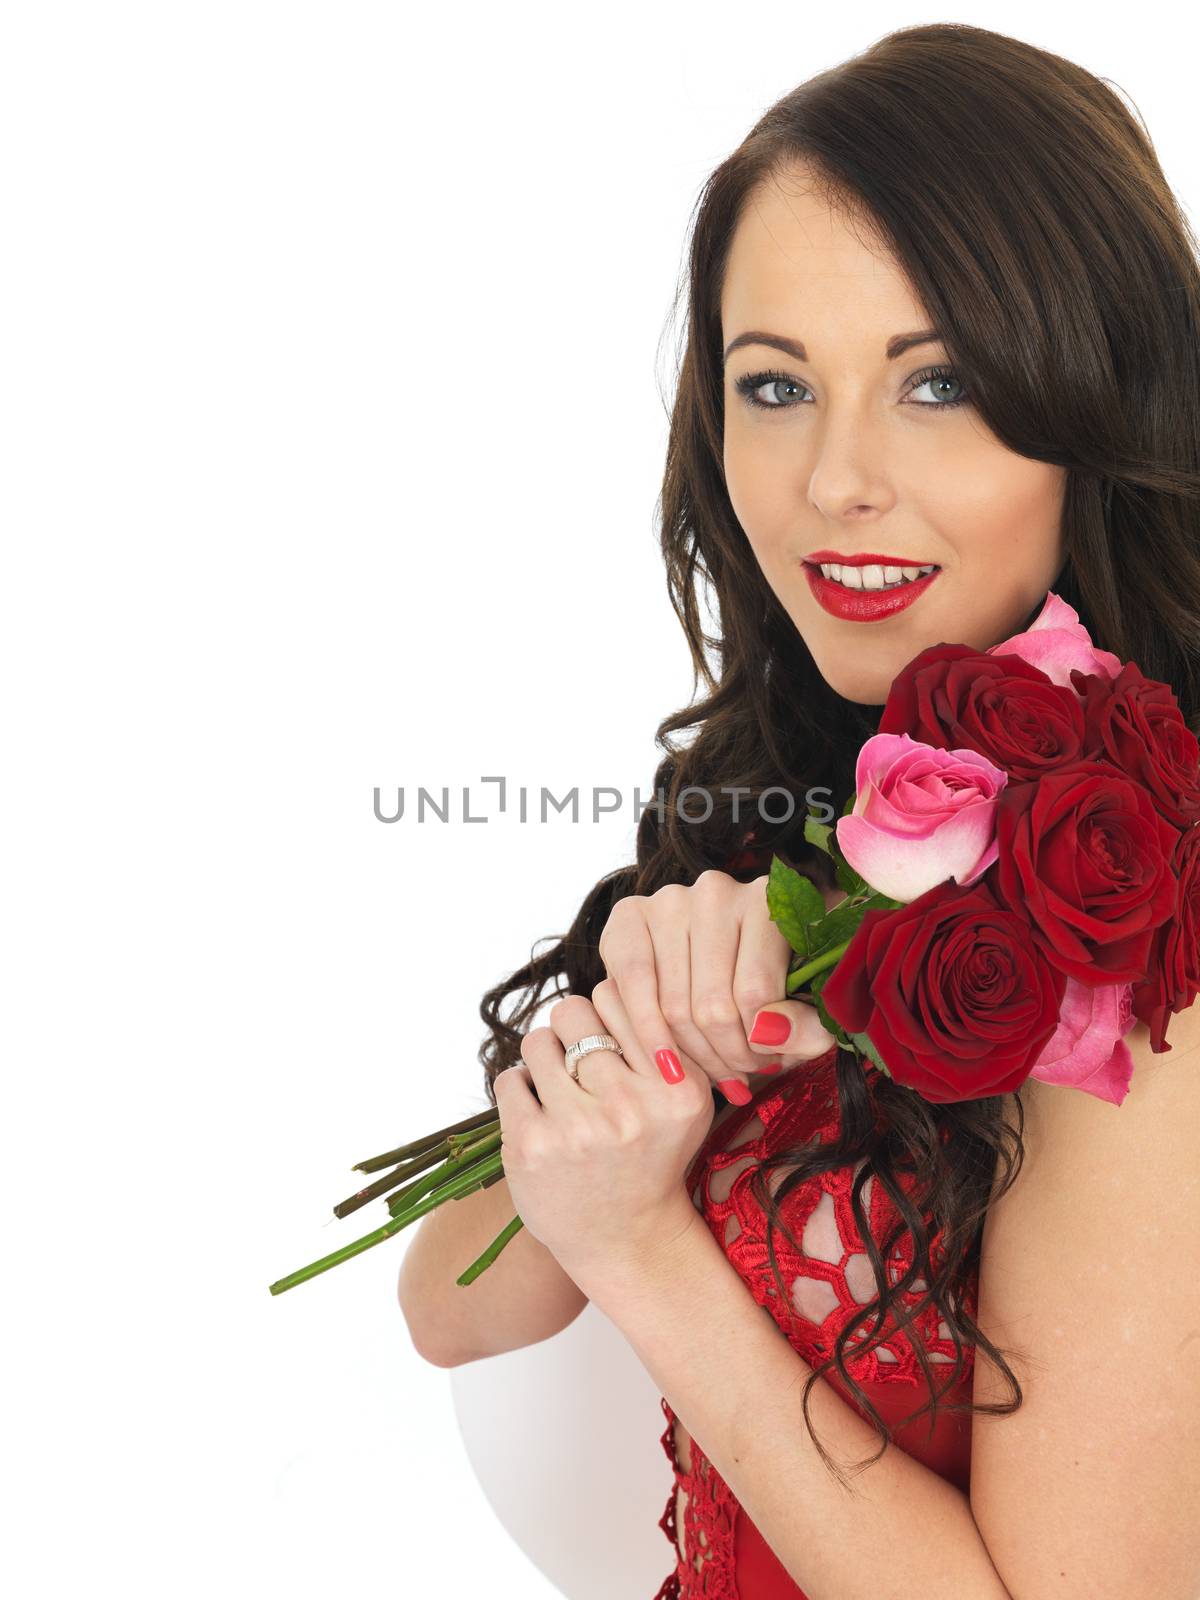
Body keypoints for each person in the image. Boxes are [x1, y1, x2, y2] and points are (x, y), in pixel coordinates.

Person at [398, 21, 1200, 1598]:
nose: (834, 480)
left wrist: (644, 1248)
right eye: (776, 385)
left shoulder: (1144, 924)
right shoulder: (792, 802)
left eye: (939, 383)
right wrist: (651, 1043)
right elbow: (451, 1302)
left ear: (1094, 395)